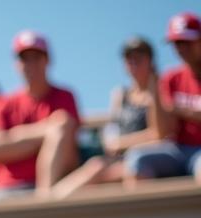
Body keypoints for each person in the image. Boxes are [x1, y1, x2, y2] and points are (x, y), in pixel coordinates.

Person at [52, 36, 160, 199]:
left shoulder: (158, 92)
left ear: (150, 61)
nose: (133, 63)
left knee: (108, 175)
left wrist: (121, 143)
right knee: (94, 167)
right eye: (129, 58)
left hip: (145, 158)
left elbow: (160, 134)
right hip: (116, 158)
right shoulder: (120, 94)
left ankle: (48, 205)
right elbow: (112, 129)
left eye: (139, 57)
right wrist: (111, 143)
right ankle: (48, 202)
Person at [0, 30, 81, 197]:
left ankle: (43, 204)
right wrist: (46, 132)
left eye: (36, 57)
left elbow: (68, 146)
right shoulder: (1, 103)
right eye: (24, 59)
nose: (30, 64)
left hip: (51, 192)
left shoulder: (65, 97)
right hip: (2, 192)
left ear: (47, 60)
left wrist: (12, 139)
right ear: (17, 64)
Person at [125, 12, 201, 186]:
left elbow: (174, 109)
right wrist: (154, 86)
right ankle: (141, 213)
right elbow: (163, 131)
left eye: (186, 42)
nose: (181, 49)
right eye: (176, 43)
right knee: (137, 159)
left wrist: (178, 109)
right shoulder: (170, 78)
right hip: (176, 149)